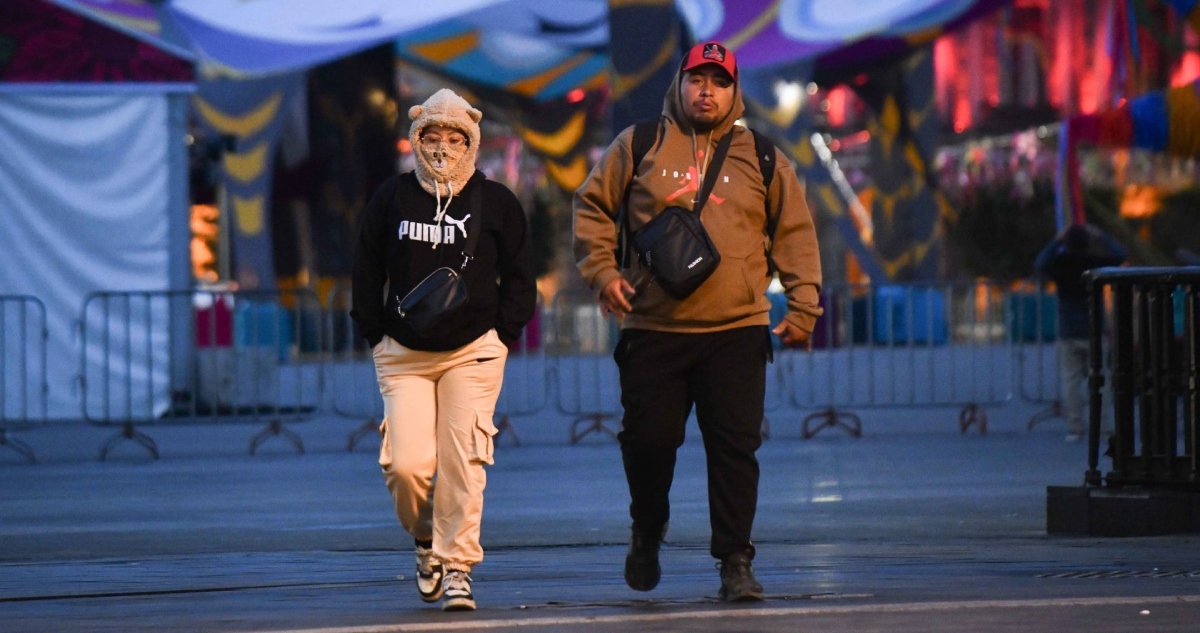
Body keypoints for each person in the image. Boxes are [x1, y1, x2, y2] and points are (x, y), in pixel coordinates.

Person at [572, 40, 823, 601]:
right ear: (679, 84)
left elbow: (795, 233)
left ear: (734, 92)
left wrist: (804, 306)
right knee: (649, 443)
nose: (706, 90)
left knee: (735, 449)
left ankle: (735, 560)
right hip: (653, 330)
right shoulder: (638, 144)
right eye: (696, 79)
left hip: (735, 330)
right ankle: (648, 528)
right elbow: (591, 207)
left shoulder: (761, 155)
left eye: (719, 81)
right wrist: (602, 271)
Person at [351, 89, 536, 611]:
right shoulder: (391, 197)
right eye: (431, 136)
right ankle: (426, 538)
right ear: (415, 139)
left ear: (471, 142)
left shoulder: (495, 201)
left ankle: (457, 567)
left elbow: (522, 278)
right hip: (403, 353)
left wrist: (503, 334)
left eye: (455, 138)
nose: (442, 147)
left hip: (474, 350)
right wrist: (373, 332)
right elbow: (365, 269)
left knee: (463, 460)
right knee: (407, 467)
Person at [1034, 223, 1126, 443]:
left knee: (1071, 381)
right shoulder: (1094, 264)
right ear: (1087, 242)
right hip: (1094, 328)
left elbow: (1039, 263)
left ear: (1067, 242)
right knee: (1100, 380)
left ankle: (1075, 428)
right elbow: (1120, 255)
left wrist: (1057, 240)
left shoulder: (1059, 263)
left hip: (1068, 330)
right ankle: (1105, 427)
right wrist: (1102, 235)